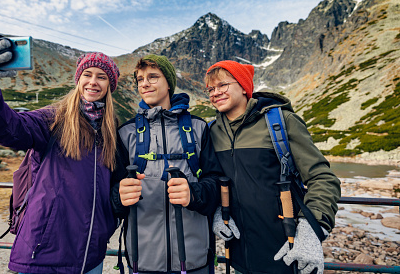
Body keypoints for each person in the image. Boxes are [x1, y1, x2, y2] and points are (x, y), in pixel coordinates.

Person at [0, 31, 122, 274]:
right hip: (44, 253)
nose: (93, 82)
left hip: (90, 256)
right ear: (78, 79)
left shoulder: (111, 131)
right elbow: (6, 127)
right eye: (87, 74)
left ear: (110, 86)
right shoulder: (53, 119)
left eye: (102, 77)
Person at [205, 60, 341, 274]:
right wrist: (216, 212)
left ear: (243, 86)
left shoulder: (282, 122)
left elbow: (322, 178)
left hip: (287, 252)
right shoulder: (212, 132)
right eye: (211, 89)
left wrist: (310, 230)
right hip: (240, 256)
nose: (215, 93)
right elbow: (212, 179)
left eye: (223, 85)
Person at [111, 54, 222, 274]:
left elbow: (216, 183)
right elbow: (112, 195)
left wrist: (194, 194)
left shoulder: (199, 129)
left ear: (169, 83)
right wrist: (119, 197)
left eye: (153, 77)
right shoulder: (126, 133)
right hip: (142, 262)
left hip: (195, 260)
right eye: (140, 79)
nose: (145, 83)